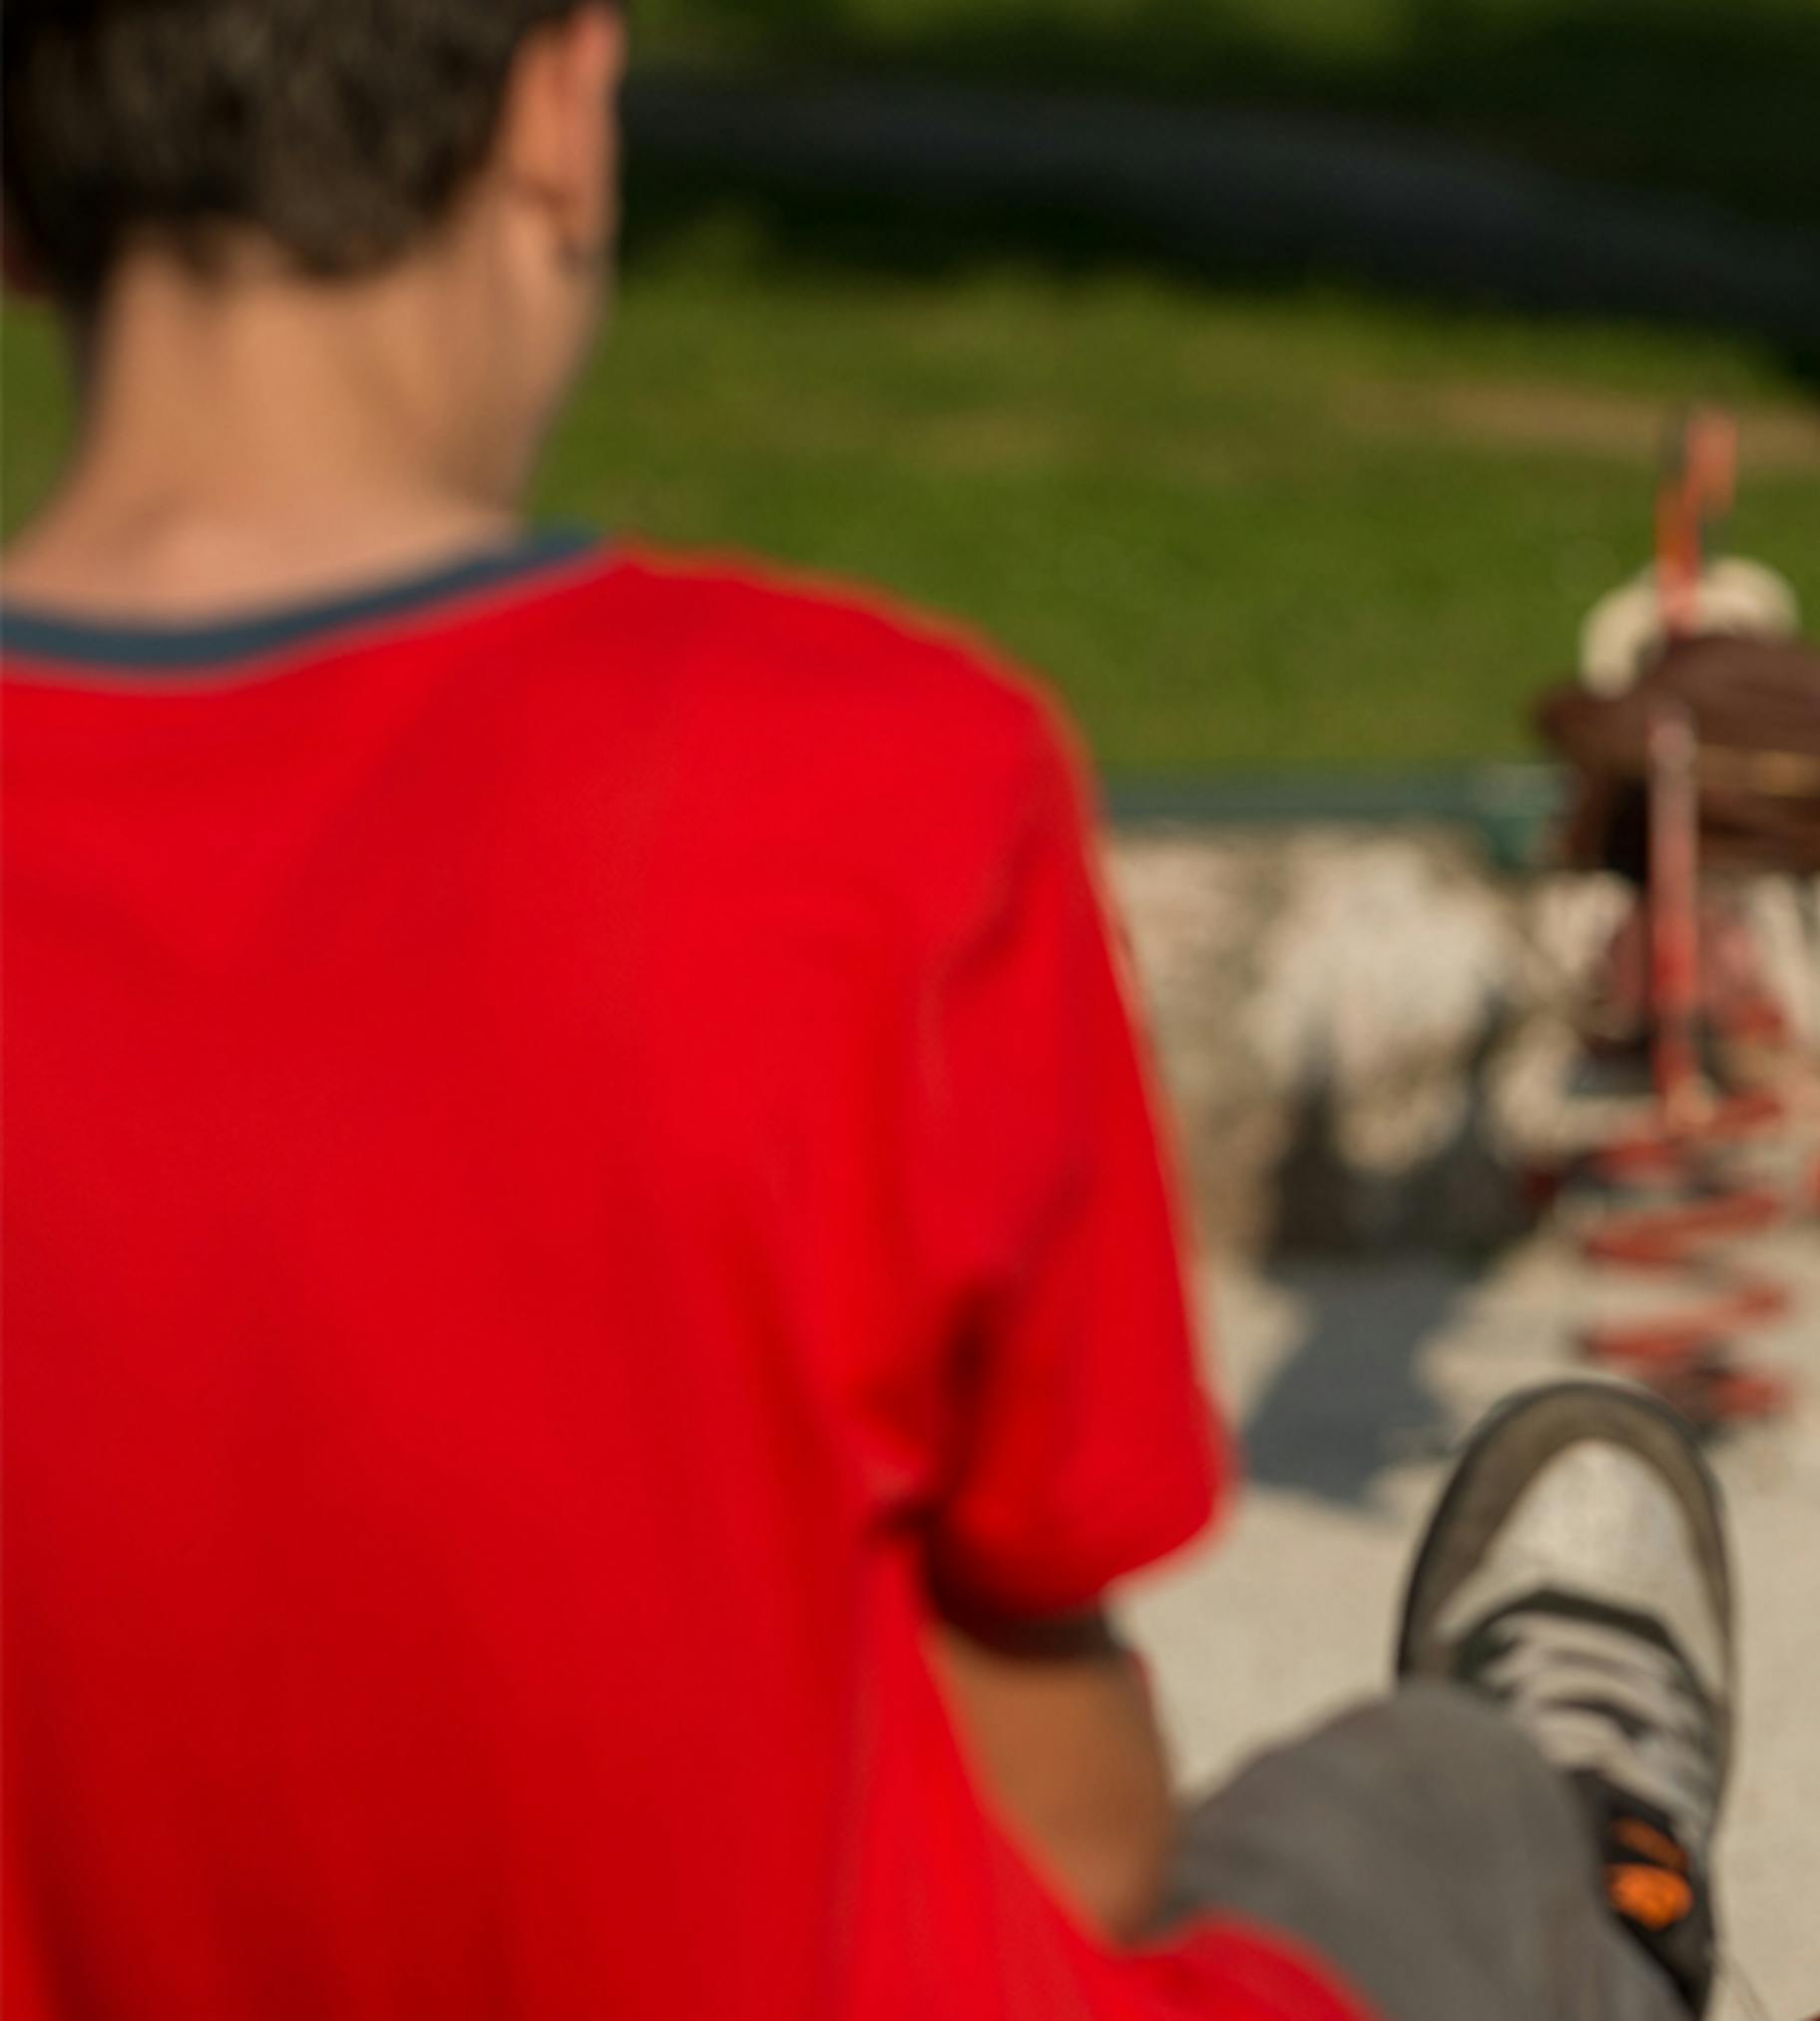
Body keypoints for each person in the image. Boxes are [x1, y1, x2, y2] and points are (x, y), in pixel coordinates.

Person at [0, 4, 1724, 2017]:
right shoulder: (872, 792)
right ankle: (1619, 1858)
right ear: (562, 111)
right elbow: (1077, 1828)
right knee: (1456, 1798)